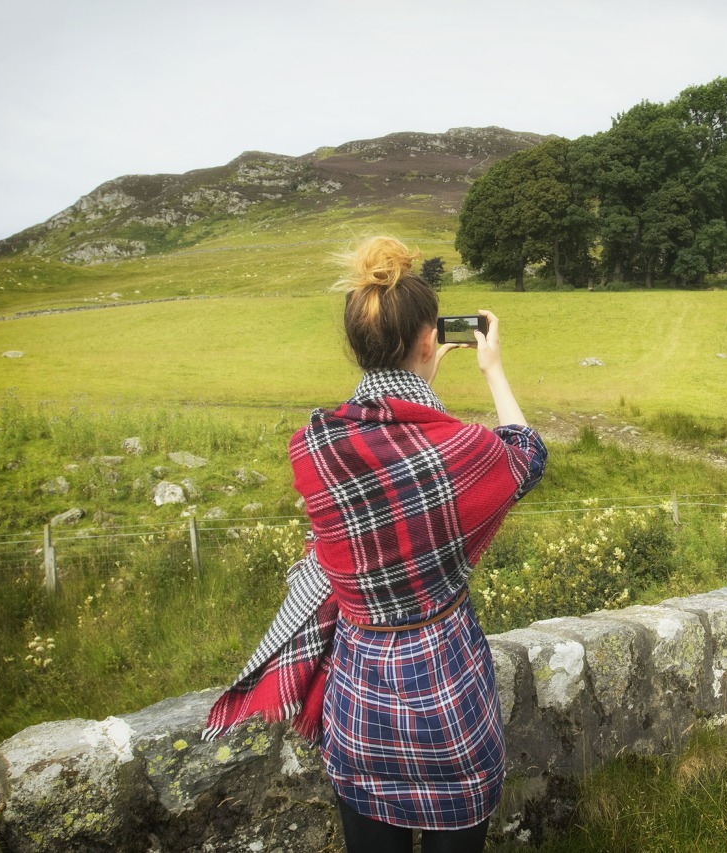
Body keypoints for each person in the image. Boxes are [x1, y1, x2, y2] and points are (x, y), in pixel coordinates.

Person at [203, 236, 547, 853]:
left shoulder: (316, 446)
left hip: (359, 700)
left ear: (359, 348)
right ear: (429, 340)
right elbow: (526, 455)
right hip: (448, 702)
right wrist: (493, 370)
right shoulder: (461, 450)